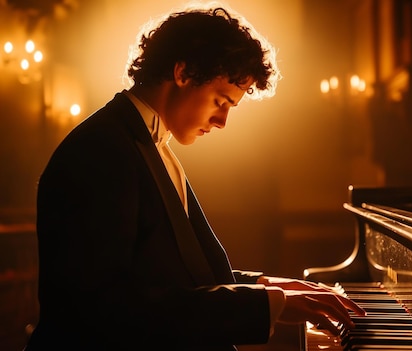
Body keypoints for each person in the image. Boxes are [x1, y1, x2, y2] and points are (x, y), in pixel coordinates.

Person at [25, 2, 365, 350]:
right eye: (220, 101)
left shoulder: (142, 142)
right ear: (183, 73)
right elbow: (102, 309)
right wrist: (266, 304)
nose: (222, 122)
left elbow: (169, 277)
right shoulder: (101, 151)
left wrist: (266, 287)